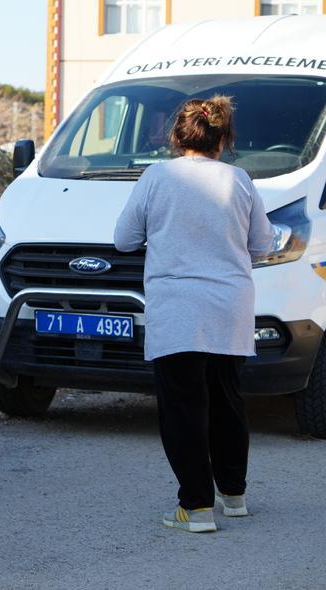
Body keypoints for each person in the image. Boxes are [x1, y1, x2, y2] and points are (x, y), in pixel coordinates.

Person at [114, 96, 273, 533]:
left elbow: (124, 239)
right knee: (227, 399)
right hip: (229, 307)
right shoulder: (240, 180)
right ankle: (234, 495)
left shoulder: (156, 176)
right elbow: (262, 245)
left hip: (178, 308)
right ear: (223, 139)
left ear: (176, 135)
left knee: (184, 408)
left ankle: (196, 506)